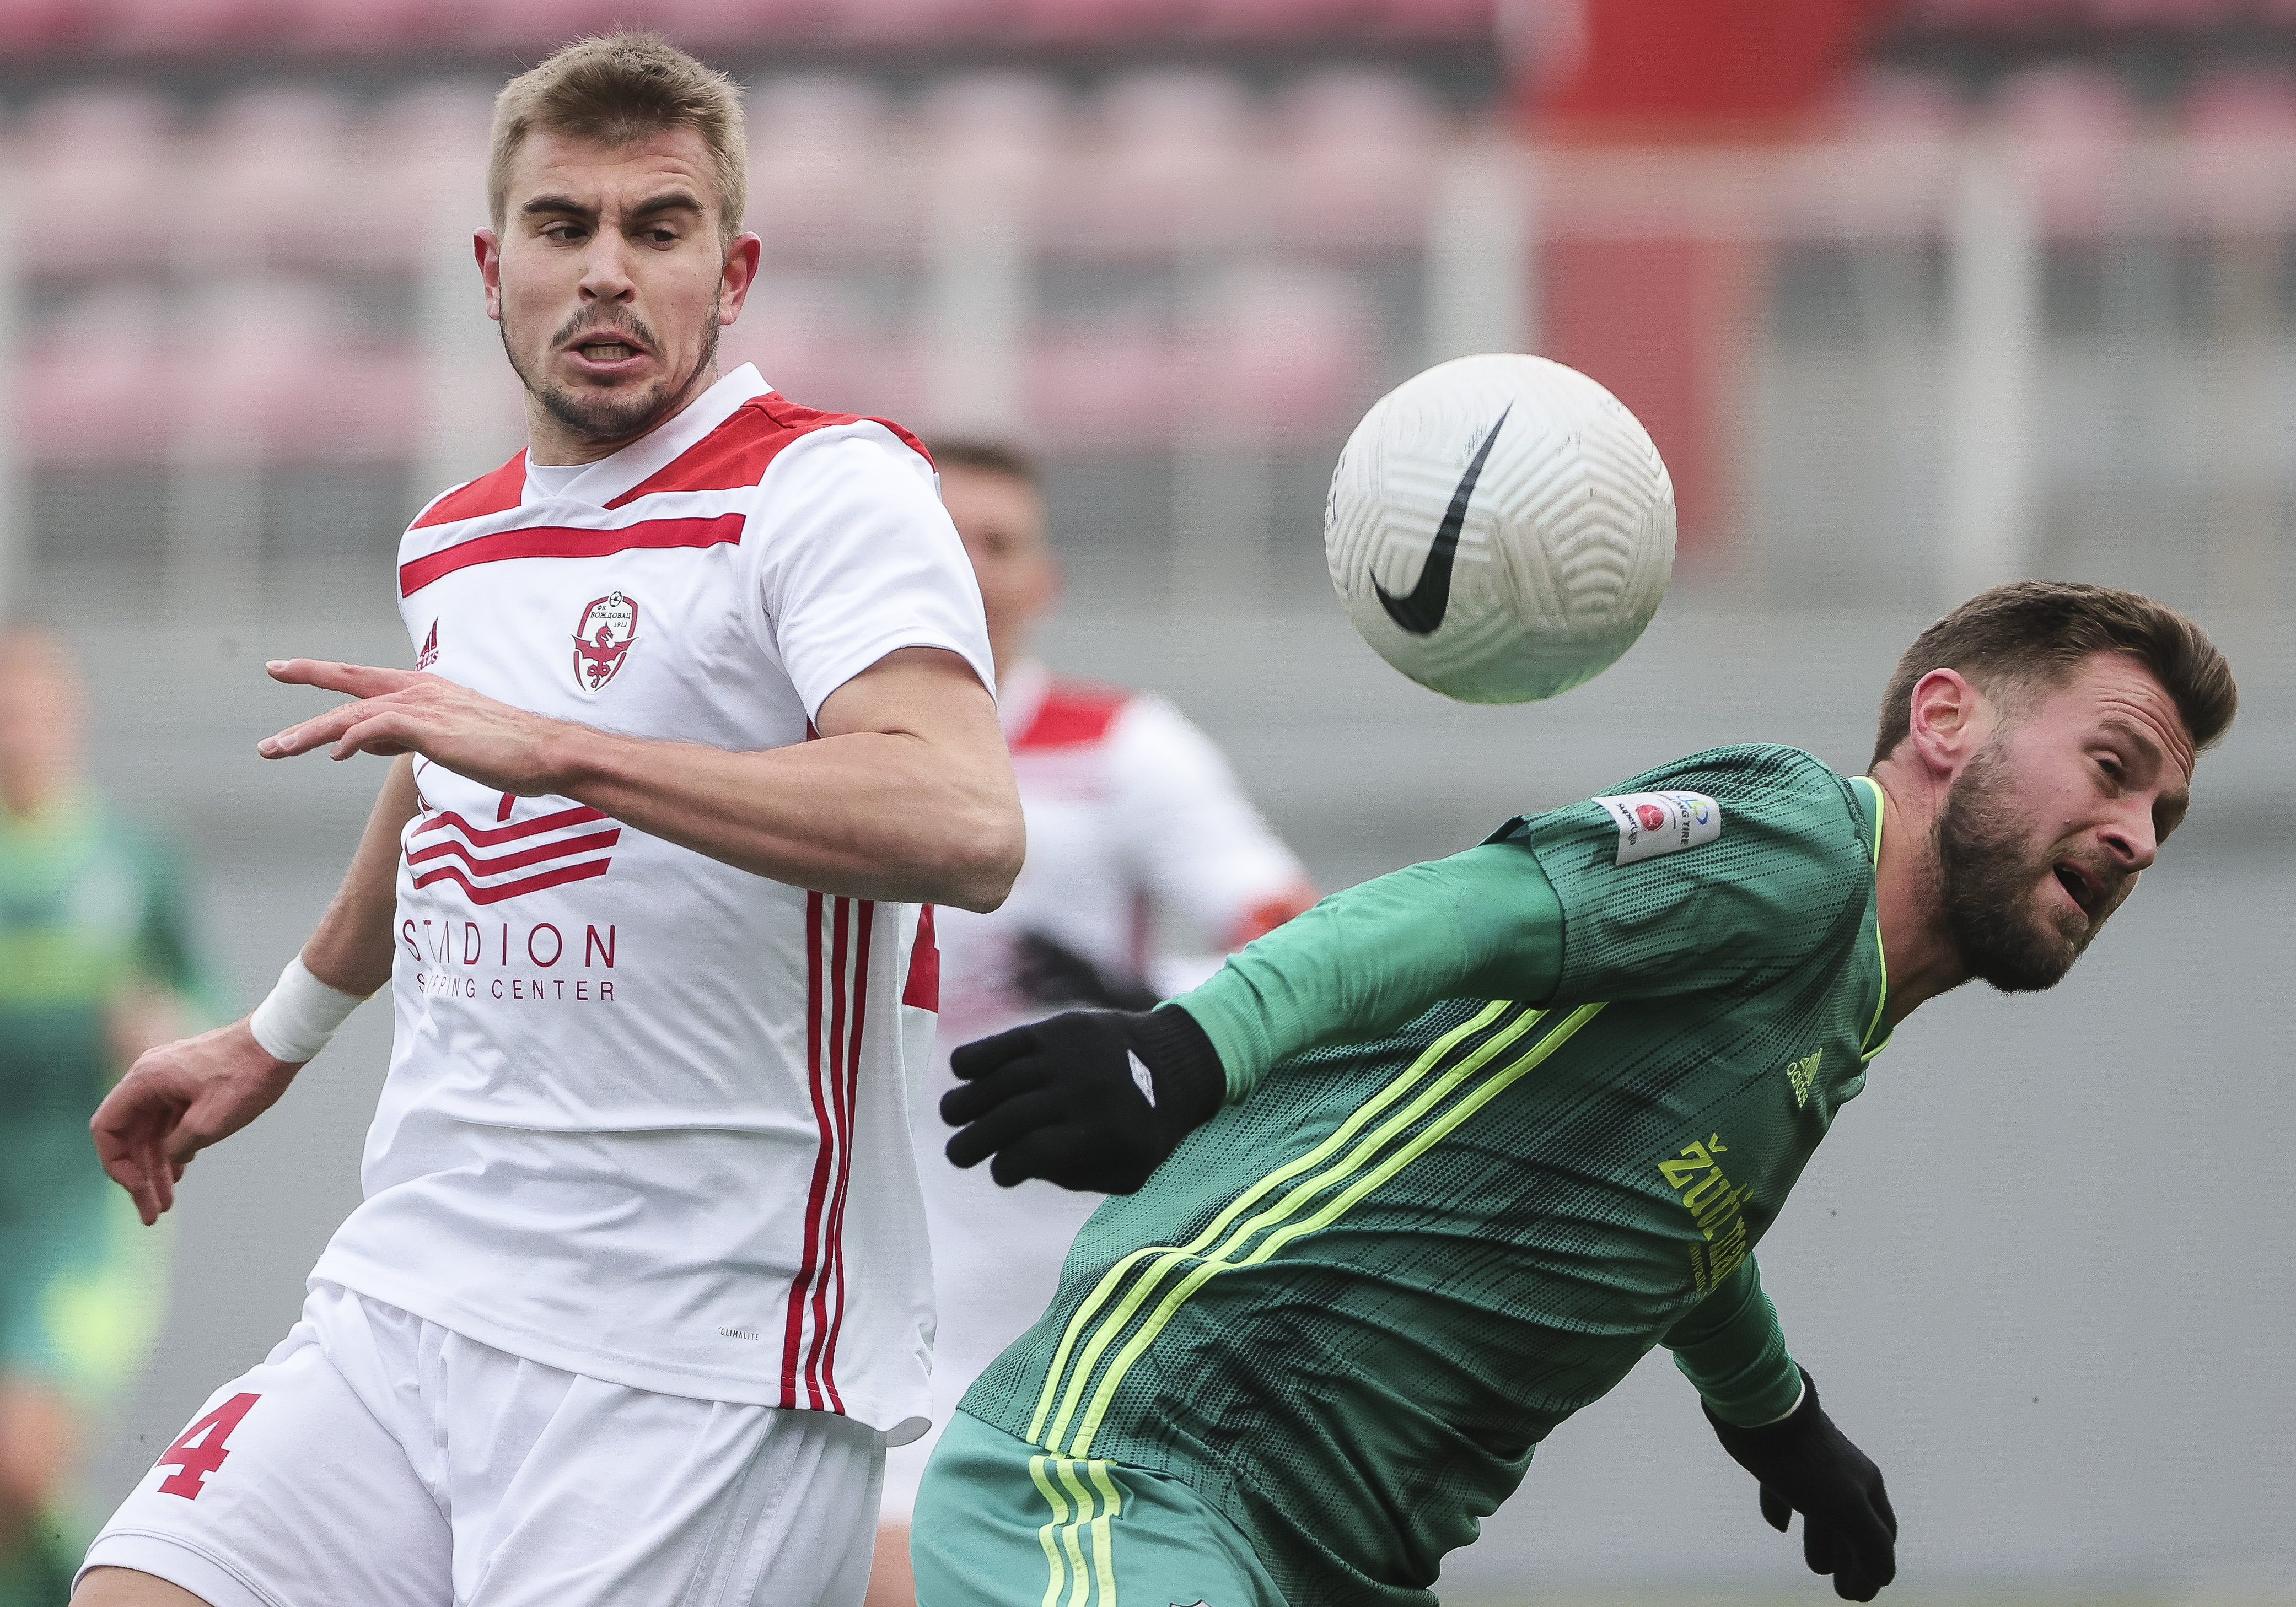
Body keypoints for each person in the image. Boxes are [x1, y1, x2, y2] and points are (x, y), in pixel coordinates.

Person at [75, 33, 1021, 1607]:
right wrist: (277, 1032)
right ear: (491, 265)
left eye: (659, 228)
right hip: (412, 1289)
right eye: (563, 225)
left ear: (733, 273)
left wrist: (560, 749)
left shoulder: (824, 489)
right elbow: (445, 775)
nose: (606, 271)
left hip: (699, 1355)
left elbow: (961, 817)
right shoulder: (452, 540)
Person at [916, 581, 2236, 1607]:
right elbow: (1460, 908)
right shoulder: (1802, 843)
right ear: (1944, 722)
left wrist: (1776, 1417)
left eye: (2164, 820)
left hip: (1336, 1560)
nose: (2136, 838)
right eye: (2112, 766)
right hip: (1153, 1467)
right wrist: (1186, 1049)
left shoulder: (1841, 1003)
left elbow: (1679, 1216)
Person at [868, 443, 1315, 1607]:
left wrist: (1138, 984)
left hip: (1084, 1301)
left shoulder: (1121, 745)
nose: (972, 568)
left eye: (1000, 542)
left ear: (1043, 579)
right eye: (946, 538)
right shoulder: (811, 756)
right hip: (876, 1292)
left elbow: (1304, 949)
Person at [0, 631, 207, 1607]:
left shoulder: (131, 860)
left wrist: (160, 1029)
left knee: (19, 1465)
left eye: (35, 710)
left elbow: (200, 1015)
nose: (21, 732)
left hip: (80, 1216)